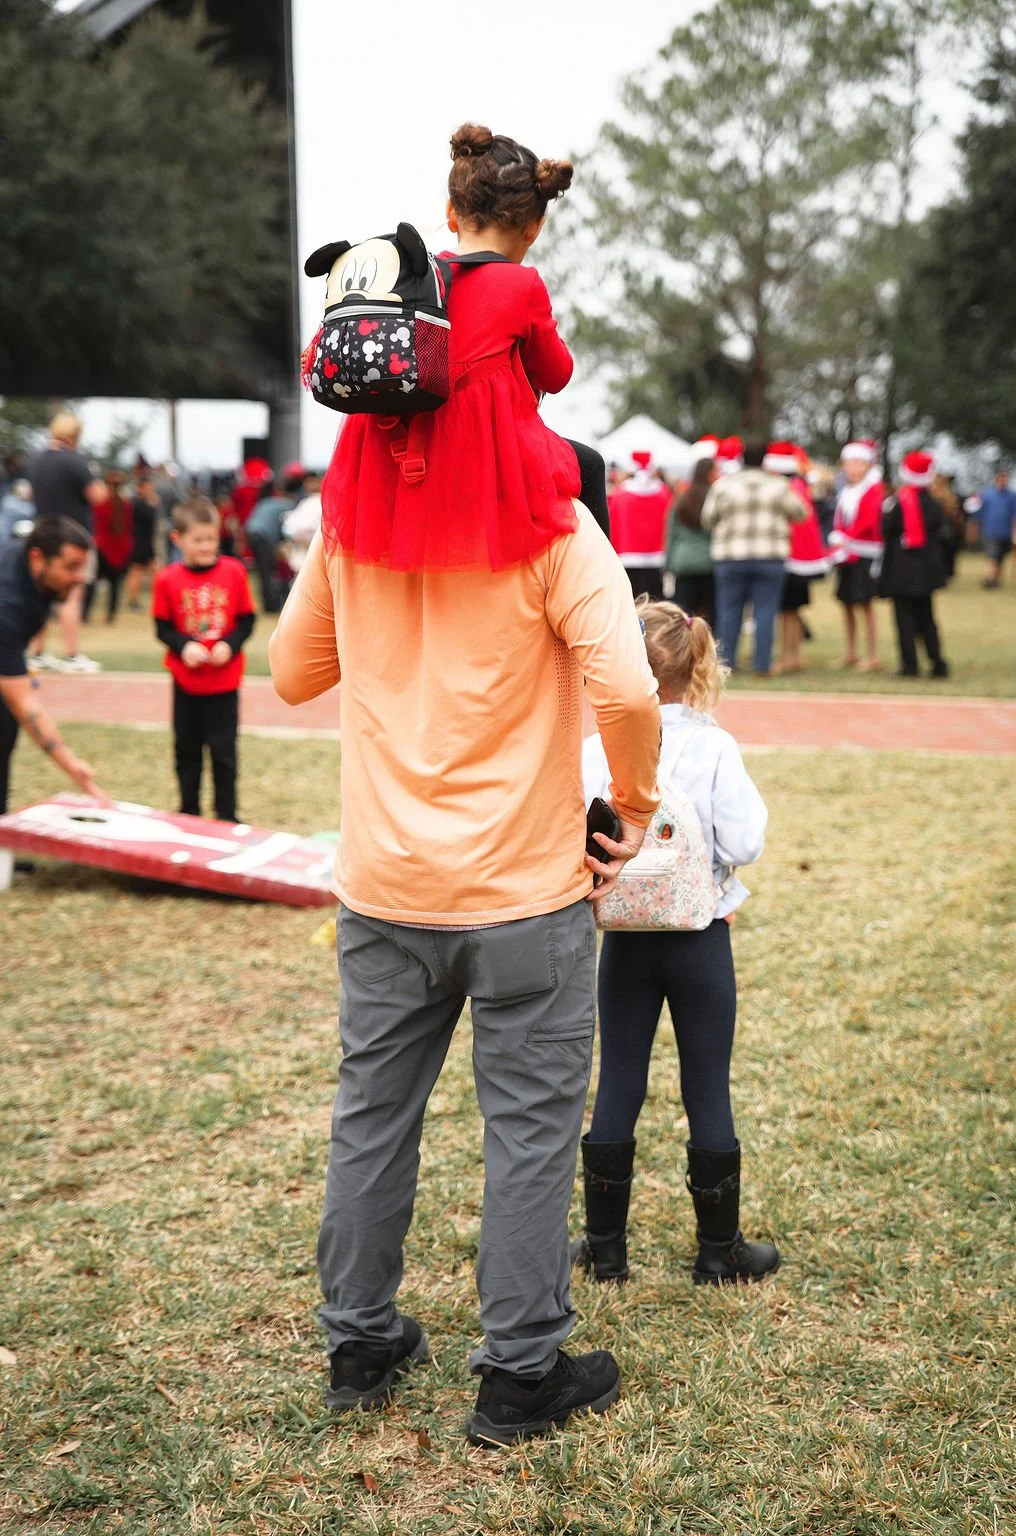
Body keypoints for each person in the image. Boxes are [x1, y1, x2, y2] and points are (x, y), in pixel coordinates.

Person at [271, 131, 662, 1447]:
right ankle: (518, 1371)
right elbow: (629, 691)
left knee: (371, 1118)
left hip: (385, 883)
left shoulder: (348, 512)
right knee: (530, 1130)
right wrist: (637, 815)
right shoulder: (560, 521)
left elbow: (289, 675)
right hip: (526, 890)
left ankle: (360, 1347)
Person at [573, 600, 777, 1286]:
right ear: (699, 668)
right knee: (707, 1086)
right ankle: (719, 1253)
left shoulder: (597, 745)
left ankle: (605, 1249)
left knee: (619, 1081)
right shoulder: (714, 745)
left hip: (624, 936)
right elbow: (745, 840)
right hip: (700, 934)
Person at [319, 124, 589, 574]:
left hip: (388, 461)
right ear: (534, 228)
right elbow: (557, 375)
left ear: (450, 212)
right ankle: (596, 596)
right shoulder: (521, 285)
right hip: (479, 462)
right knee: (590, 466)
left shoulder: (413, 276)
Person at [152, 499, 255, 823]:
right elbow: (162, 627)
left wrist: (230, 643)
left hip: (224, 683)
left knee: (224, 755)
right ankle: (189, 814)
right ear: (177, 539)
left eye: (211, 538)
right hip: (186, 684)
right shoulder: (167, 579)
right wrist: (183, 647)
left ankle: (227, 816)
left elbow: (247, 619)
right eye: (198, 540)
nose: (206, 546)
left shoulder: (234, 572)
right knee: (187, 754)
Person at [0, 518, 107, 814]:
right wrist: (72, 765)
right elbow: (24, 703)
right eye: (71, 567)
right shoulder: (7, 603)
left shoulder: (37, 579)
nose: (79, 577)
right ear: (38, 557)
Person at [700, 438, 808, 677]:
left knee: (729, 611)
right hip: (769, 555)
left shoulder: (724, 485)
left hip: (730, 555)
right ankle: (762, 664)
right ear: (764, 460)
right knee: (765, 612)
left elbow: (707, 518)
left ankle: (728, 664)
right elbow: (801, 512)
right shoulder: (778, 485)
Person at [24, 413, 108, 674]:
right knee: (72, 594)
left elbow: (28, 495)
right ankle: (71, 654)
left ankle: (37, 652)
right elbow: (99, 496)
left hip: (42, 535)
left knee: (42, 592)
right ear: (74, 436)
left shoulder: (35, 461)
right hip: (72, 538)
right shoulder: (75, 462)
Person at [878, 451, 950, 679]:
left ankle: (909, 665)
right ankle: (937, 662)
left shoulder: (897, 502)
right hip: (926, 572)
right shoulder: (934, 503)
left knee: (904, 621)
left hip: (902, 571)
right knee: (927, 620)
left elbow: (885, 529)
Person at [763, 441, 830, 674]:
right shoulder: (798, 485)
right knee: (791, 610)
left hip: (790, 558)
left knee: (787, 610)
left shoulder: (787, 488)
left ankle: (789, 656)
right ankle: (793, 654)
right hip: (797, 559)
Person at [829, 440, 885, 672]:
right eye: (849, 463)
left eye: (858, 463)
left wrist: (846, 536)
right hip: (846, 553)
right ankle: (851, 652)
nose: (852, 468)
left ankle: (872, 654)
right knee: (847, 603)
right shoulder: (846, 491)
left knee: (865, 604)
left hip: (864, 552)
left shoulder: (873, 489)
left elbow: (869, 520)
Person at [608, 451, 672, 598]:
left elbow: (612, 523)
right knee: (655, 602)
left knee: (631, 601)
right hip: (656, 556)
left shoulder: (620, 494)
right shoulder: (663, 492)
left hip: (627, 555)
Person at [246, 463, 307, 613]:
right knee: (270, 571)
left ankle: (269, 604)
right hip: (264, 535)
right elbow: (289, 528)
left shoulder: (267, 501)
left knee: (262, 571)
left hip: (251, 532)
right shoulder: (287, 505)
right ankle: (272, 606)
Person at [666, 450, 718, 627]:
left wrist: (668, 565)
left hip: (683, 562)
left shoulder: (681, 499)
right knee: (710, 617)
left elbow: (671, 534)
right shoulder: (714, 498)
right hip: (709, 563)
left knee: (685, 617)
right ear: (710, 474)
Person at [83, 472, 134, 625]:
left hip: (102, 547)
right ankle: (110, 616)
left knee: (91, 582)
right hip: (119, 548)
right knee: (115, 585)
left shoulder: (101, 505)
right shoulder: (126, 505)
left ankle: (85, 614)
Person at [975, 470, 1016, 588]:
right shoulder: (987, 495)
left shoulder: (1012, 496)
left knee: (1000, 557)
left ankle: (995, 578)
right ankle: (990, 579)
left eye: (1004, 479)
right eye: (1001, 479)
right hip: (990, 531)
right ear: (996, 480)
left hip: (1005, 532)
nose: (1002, 482)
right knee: (992, 555)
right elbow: (978, 512)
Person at [125, 470, 160, 611]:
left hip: (146, 541)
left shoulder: (142, 502)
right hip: (139, 542)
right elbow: (148, 518)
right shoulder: (137, 503)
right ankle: (133, 600)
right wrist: (152, 505)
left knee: (155, 570)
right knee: (137, 571)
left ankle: (158, 597)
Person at [0, 479, 35, 544]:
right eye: (28, 492)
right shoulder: (10, 503)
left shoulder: (7, 500)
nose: (30, 494)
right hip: (6, 539)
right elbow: (29, 512)